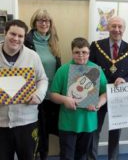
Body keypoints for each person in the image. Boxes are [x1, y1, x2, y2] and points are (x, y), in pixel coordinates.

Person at [89, 16, 128, 160]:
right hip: (98, 95)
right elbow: (89, 69)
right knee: (94, 130)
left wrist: (125, 79)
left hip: (118, 96)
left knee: (115, 132)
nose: (116, 30)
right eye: (113, 26)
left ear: (124, 29)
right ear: (107, 28)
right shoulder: (96, 45)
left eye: (120, 27)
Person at [50, 37, 107, 160]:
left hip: (88, 123)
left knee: (82, 156)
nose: (81, 56)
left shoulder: (96, 70)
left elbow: (105, 93)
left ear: (89, 53)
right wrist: (65, 100)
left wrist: (98, 104)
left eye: (84, 52)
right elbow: (53, 95)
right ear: (72, 52)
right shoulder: (63, 70)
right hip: (67, 123)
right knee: (67, 156)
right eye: (77, 52)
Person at [0, 19, 48, 160]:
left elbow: (42, 79)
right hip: (1, 123)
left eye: (20, 36)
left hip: (26, 121)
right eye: (12, 34)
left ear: (24, 37)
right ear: (5, 33)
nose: (16, 39)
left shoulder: (32, 56)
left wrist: (39, 95)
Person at [24, 9, 61, 160]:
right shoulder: (27, 41)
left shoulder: (54, 41)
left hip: (52, 95)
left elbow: (58, 68)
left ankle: (45, 155)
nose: (44, 23)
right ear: (34, 23)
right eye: (40, 20)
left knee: (51, 129)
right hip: (34, 94)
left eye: (47, 21)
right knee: (38, 132)